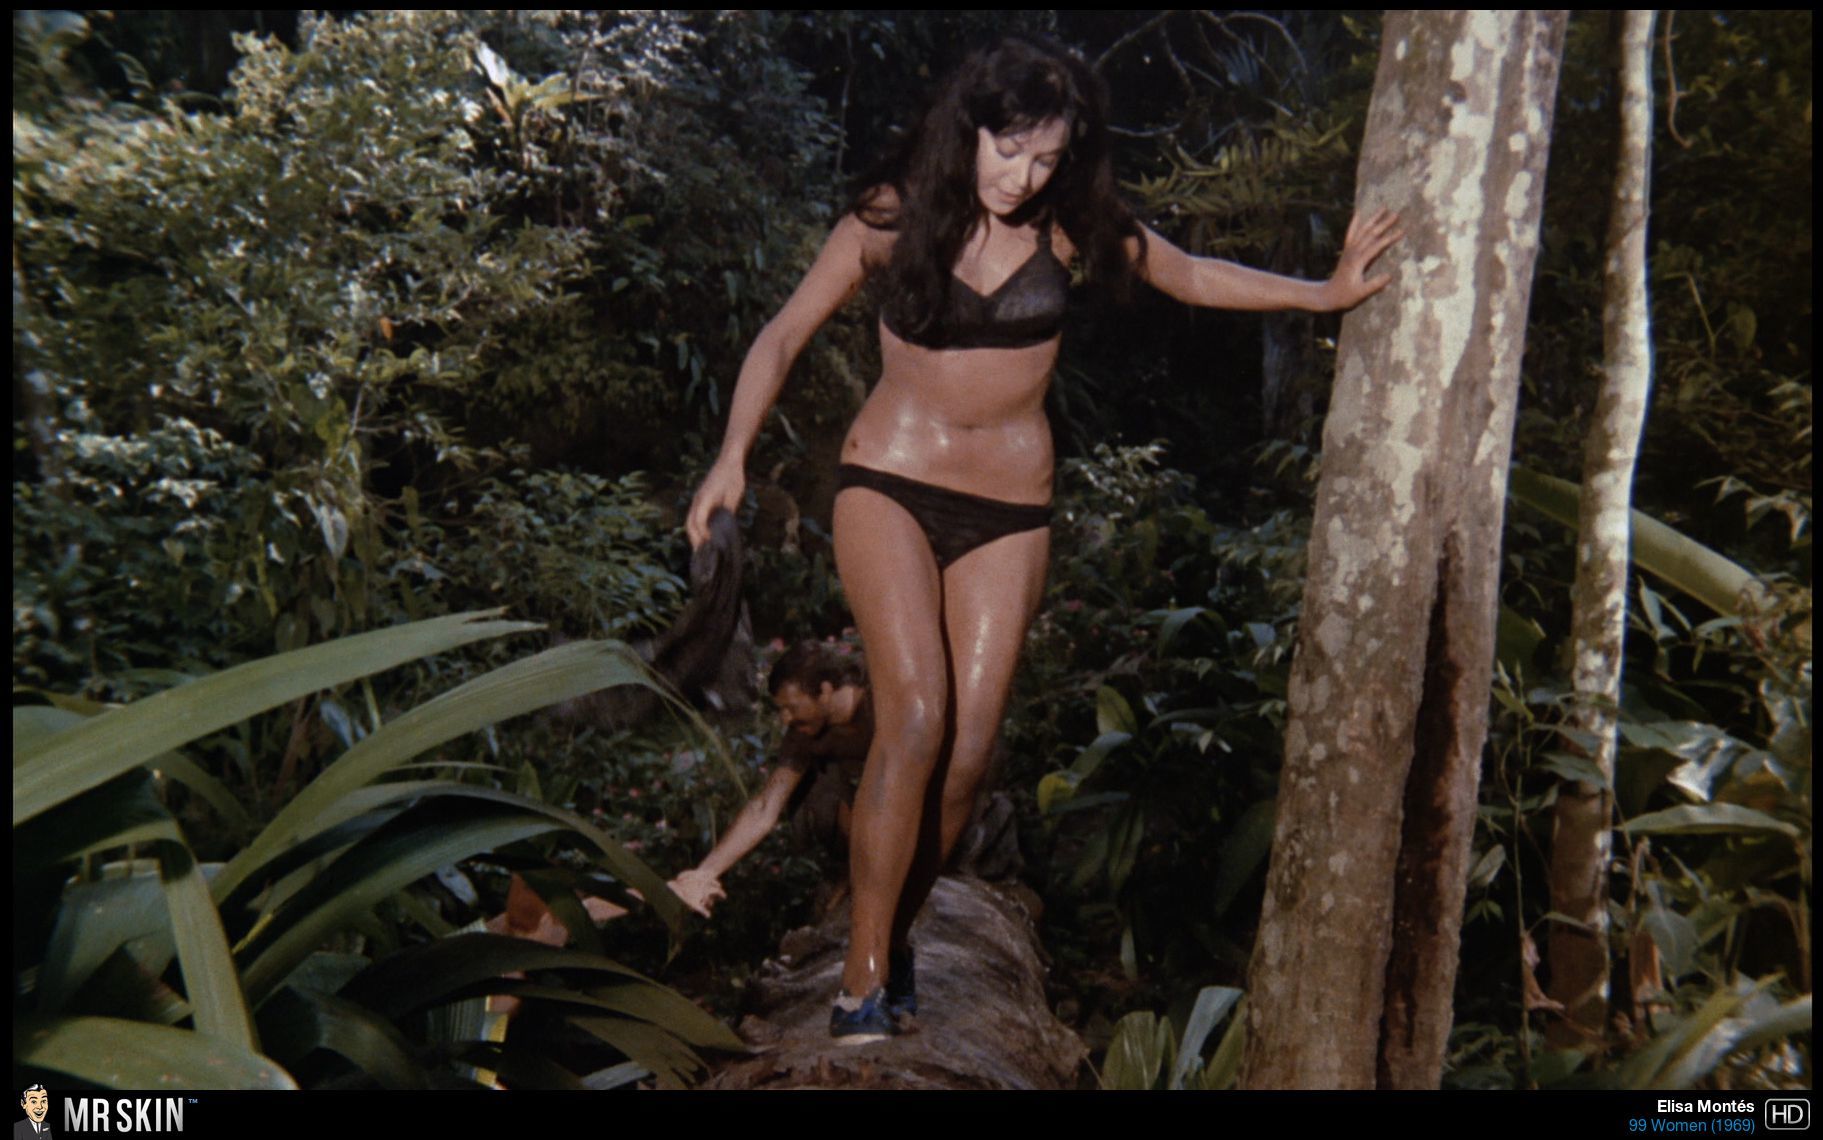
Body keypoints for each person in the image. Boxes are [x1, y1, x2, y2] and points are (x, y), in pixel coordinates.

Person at [684, 35, 1400, 1044]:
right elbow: (781, 334)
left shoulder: (1069, 225)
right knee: (915, 716)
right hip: (887, 481)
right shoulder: (890, 215)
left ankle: (890, 931)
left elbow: (1190, 273)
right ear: (969, 129)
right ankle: (862, 980)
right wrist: (730, 458)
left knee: (967, 758)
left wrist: (1320, 293)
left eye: (1045, 158)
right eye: (1008, 149)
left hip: (1007, 509)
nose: (1021, 176)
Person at [668, 640, 872, 920]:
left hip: (906, 802)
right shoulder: (805, 733)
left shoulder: (878, 703)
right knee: (818, 792)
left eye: (792, 707)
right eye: (780, 709)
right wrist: (704, 873)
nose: (785, 719)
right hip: (862, 819)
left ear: (825, 691)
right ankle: (852, 871)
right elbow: (765, 806)